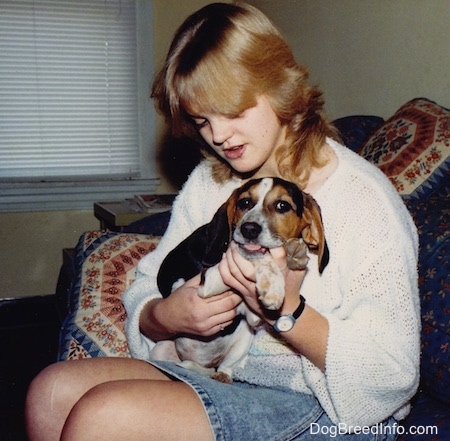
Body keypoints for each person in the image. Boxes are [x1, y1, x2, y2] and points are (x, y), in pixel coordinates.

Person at [25, 3, 420, 440]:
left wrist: (287, 311)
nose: (218, 136)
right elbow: (147, 284)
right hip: (223, 371)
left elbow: (392, 377)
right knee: (50, 392)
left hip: (324, 403)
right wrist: (165, 315)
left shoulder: (365, 200)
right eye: (202, 120)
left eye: (231, 111)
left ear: (279, 88)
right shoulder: (212, 181)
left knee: (103, 416)